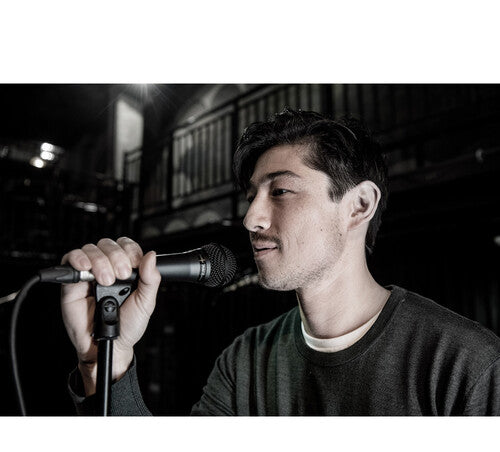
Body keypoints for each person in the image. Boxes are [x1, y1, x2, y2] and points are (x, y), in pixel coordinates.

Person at [63, 109, 500, 415]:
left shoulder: (467, 365)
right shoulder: (245, 361)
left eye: (281, 191)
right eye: (252, 196)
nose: (251, 218)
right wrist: (105, 362)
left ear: (359, 205)